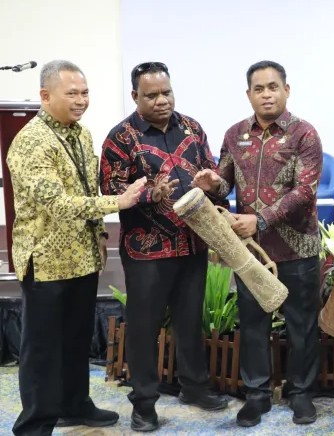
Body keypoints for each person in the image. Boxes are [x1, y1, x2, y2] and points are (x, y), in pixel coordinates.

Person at [8, 60, 145, 435]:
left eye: (85, 92)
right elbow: (57, 204)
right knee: (42, 349)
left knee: (75, 339)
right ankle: (34, 425)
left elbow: (86, 189)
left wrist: (99, 235)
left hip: (81, 256)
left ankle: (75, 404)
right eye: (71, 93)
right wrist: (119, 202)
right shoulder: (31, 142)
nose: (81, 100)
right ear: (45, 95)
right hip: (46, 260)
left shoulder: (81, 134)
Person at [193, 60, 323, 427]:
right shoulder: (235, 134)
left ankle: (301, 393)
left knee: (301, 325)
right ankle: (257, 395)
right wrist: (212, 184)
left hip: (298, 248)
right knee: (253, 323)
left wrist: (261, 219)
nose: (266, 94)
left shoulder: (305, 134)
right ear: (248, 94)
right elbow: (224, 182)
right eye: (259, 89)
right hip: (250, 251)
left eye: (273, 87)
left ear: (286, 90)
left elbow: (305, 192)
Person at [100, 62, 228, 432]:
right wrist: (149, 195)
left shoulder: (191, 127)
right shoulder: (120, 138)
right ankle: (144, 405)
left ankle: (194, 388)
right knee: (144, 330)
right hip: (147, 253)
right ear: (135, 96)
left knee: (189, 322)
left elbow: (214, 177)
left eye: (166, 92)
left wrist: (213, 183)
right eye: (152, 95)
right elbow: (110, 192)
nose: (162, 100)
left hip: (191, 245)